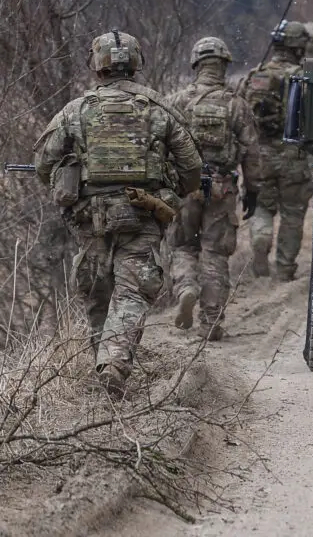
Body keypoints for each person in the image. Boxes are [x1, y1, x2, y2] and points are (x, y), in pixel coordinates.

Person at [33, 31, 202, 395]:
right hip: (141, 214)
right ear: (136, 62)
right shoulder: (157, 109)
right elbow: (191, 169)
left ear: (96, 65)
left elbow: (43, 163)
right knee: (132, 291)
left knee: (97, 291)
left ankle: (105, 367)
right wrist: (172, 190)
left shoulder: (76, 110)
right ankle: (113, 363)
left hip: (89, 218)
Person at [168, 37, 261, 340]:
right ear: (223, 66)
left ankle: (186, 289)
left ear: (196, 64)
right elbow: (251, 154)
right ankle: (210, 323)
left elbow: (160, 146)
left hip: (186, 185)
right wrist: (253, 191)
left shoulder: (178, 101)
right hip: (220, 187)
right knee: (215, 253)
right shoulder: (237, 104)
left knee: (183, 247)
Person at [242, 21, 313, 282]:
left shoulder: (254, 75)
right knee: (293, 215)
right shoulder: (306, 76)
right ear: (298, 46)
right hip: (293, 157)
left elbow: (241, 116)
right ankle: (284, 268)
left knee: (261, 207)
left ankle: (260, 239)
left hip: (259, 157)